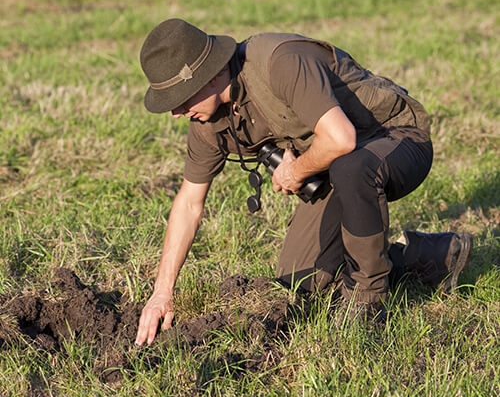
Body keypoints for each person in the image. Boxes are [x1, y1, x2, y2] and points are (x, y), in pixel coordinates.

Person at [134, 19, 472, 346]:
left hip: (395, 139)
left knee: (352, 168)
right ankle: (434, 255)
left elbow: (340, 139)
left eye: (179, 99)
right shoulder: (207, 124)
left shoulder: (278, 61)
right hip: (334, 169)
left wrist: (296, 172)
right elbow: (189, 203)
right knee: (300, 281)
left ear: (207, 76)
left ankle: (368, 304)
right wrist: (162, 292)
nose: (176, 113)